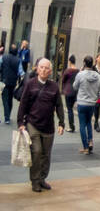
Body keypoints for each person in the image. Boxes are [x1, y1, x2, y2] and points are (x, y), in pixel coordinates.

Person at [15, 58, 65, 193]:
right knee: (36, 152)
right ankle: (35, 181)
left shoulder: (54, 86)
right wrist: (20, 123)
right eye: (41, 67)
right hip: (33, 124)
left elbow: (59, 105)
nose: (43, 70)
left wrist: (61, 122)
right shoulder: (30, 84)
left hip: (48, 126)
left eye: (46, 68)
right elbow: (23, 104)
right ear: (37, 69)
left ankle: (42, 178)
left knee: (46, 155)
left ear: (50, 71)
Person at [72, 56, 100, 155]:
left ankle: (85, 147)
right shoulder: (98, 76)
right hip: (92, 104)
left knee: (82, 125)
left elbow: (74, 86)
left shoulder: (80, 75)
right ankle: (90, 141)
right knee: (89, 122)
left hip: (82, 103)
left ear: (84, 63)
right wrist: (94, 97)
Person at [60, 55, 79, 134]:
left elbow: (63, 80)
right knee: (71, 109)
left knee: (69, 109)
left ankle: (71, 126)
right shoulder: (78, 71)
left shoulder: (68, 71)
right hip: (75, 92)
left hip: (68, 91)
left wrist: (62, 89)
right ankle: (72, 125)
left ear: (69, 61)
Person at [0, 45, 18, 124]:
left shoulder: (3, 57)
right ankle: (8, 116)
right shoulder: (18, 60)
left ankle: (7, 118)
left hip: (4, 81)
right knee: (10, 99)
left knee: (5, 99)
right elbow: (21, 72)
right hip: (13, 82)